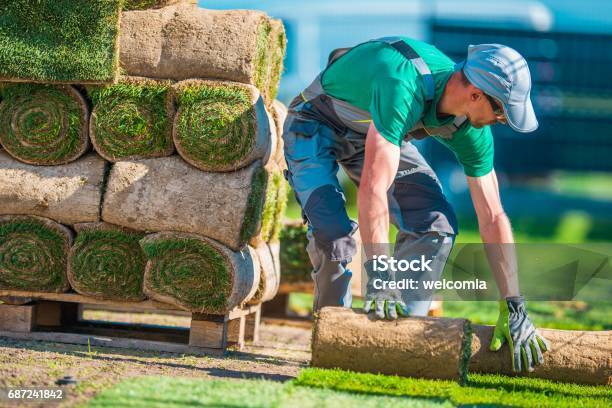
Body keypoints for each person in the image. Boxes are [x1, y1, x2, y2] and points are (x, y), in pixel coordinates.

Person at [282, 36, 549, 372]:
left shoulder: (471, 130)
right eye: (500, 110)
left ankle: (394, 342)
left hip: (376, 133)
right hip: (313, 124)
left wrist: (514, 304)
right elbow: (373, 189)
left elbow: (493, 216)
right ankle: (335, 344)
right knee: (333, 236)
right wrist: (379, 272)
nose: (502, 120)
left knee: (434, 224)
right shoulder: (402, 84)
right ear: (476, 94)